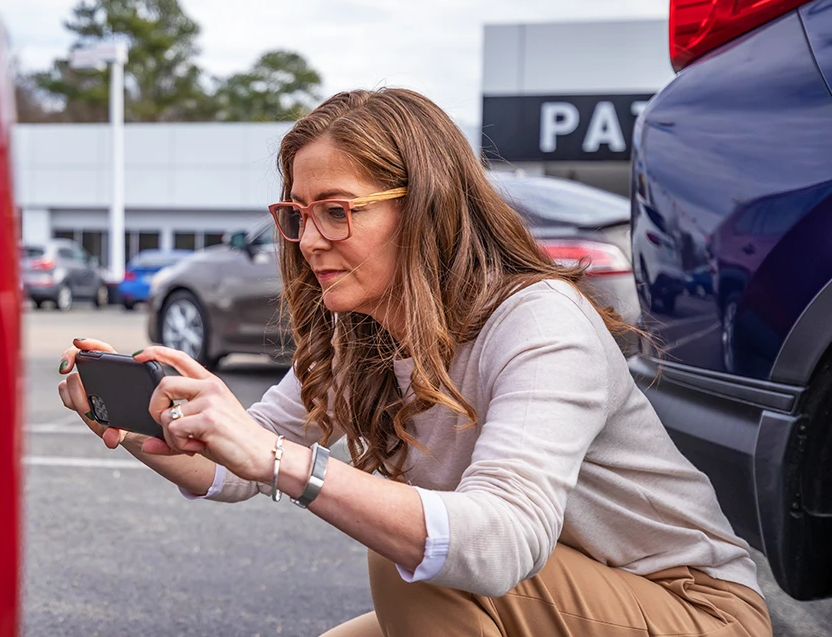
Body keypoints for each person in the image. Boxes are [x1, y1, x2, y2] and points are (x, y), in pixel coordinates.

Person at [55, 88, 771, 636]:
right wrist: (160, 430)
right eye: (298, 214)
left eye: (337, 210)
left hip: (694, 610)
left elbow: (499, 544)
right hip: (557, 598)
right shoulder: (360, 332)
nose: (308, 240)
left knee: (416, 564)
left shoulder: (538, 322)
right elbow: (232, 471)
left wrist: (281, 460)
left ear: (424, 207)